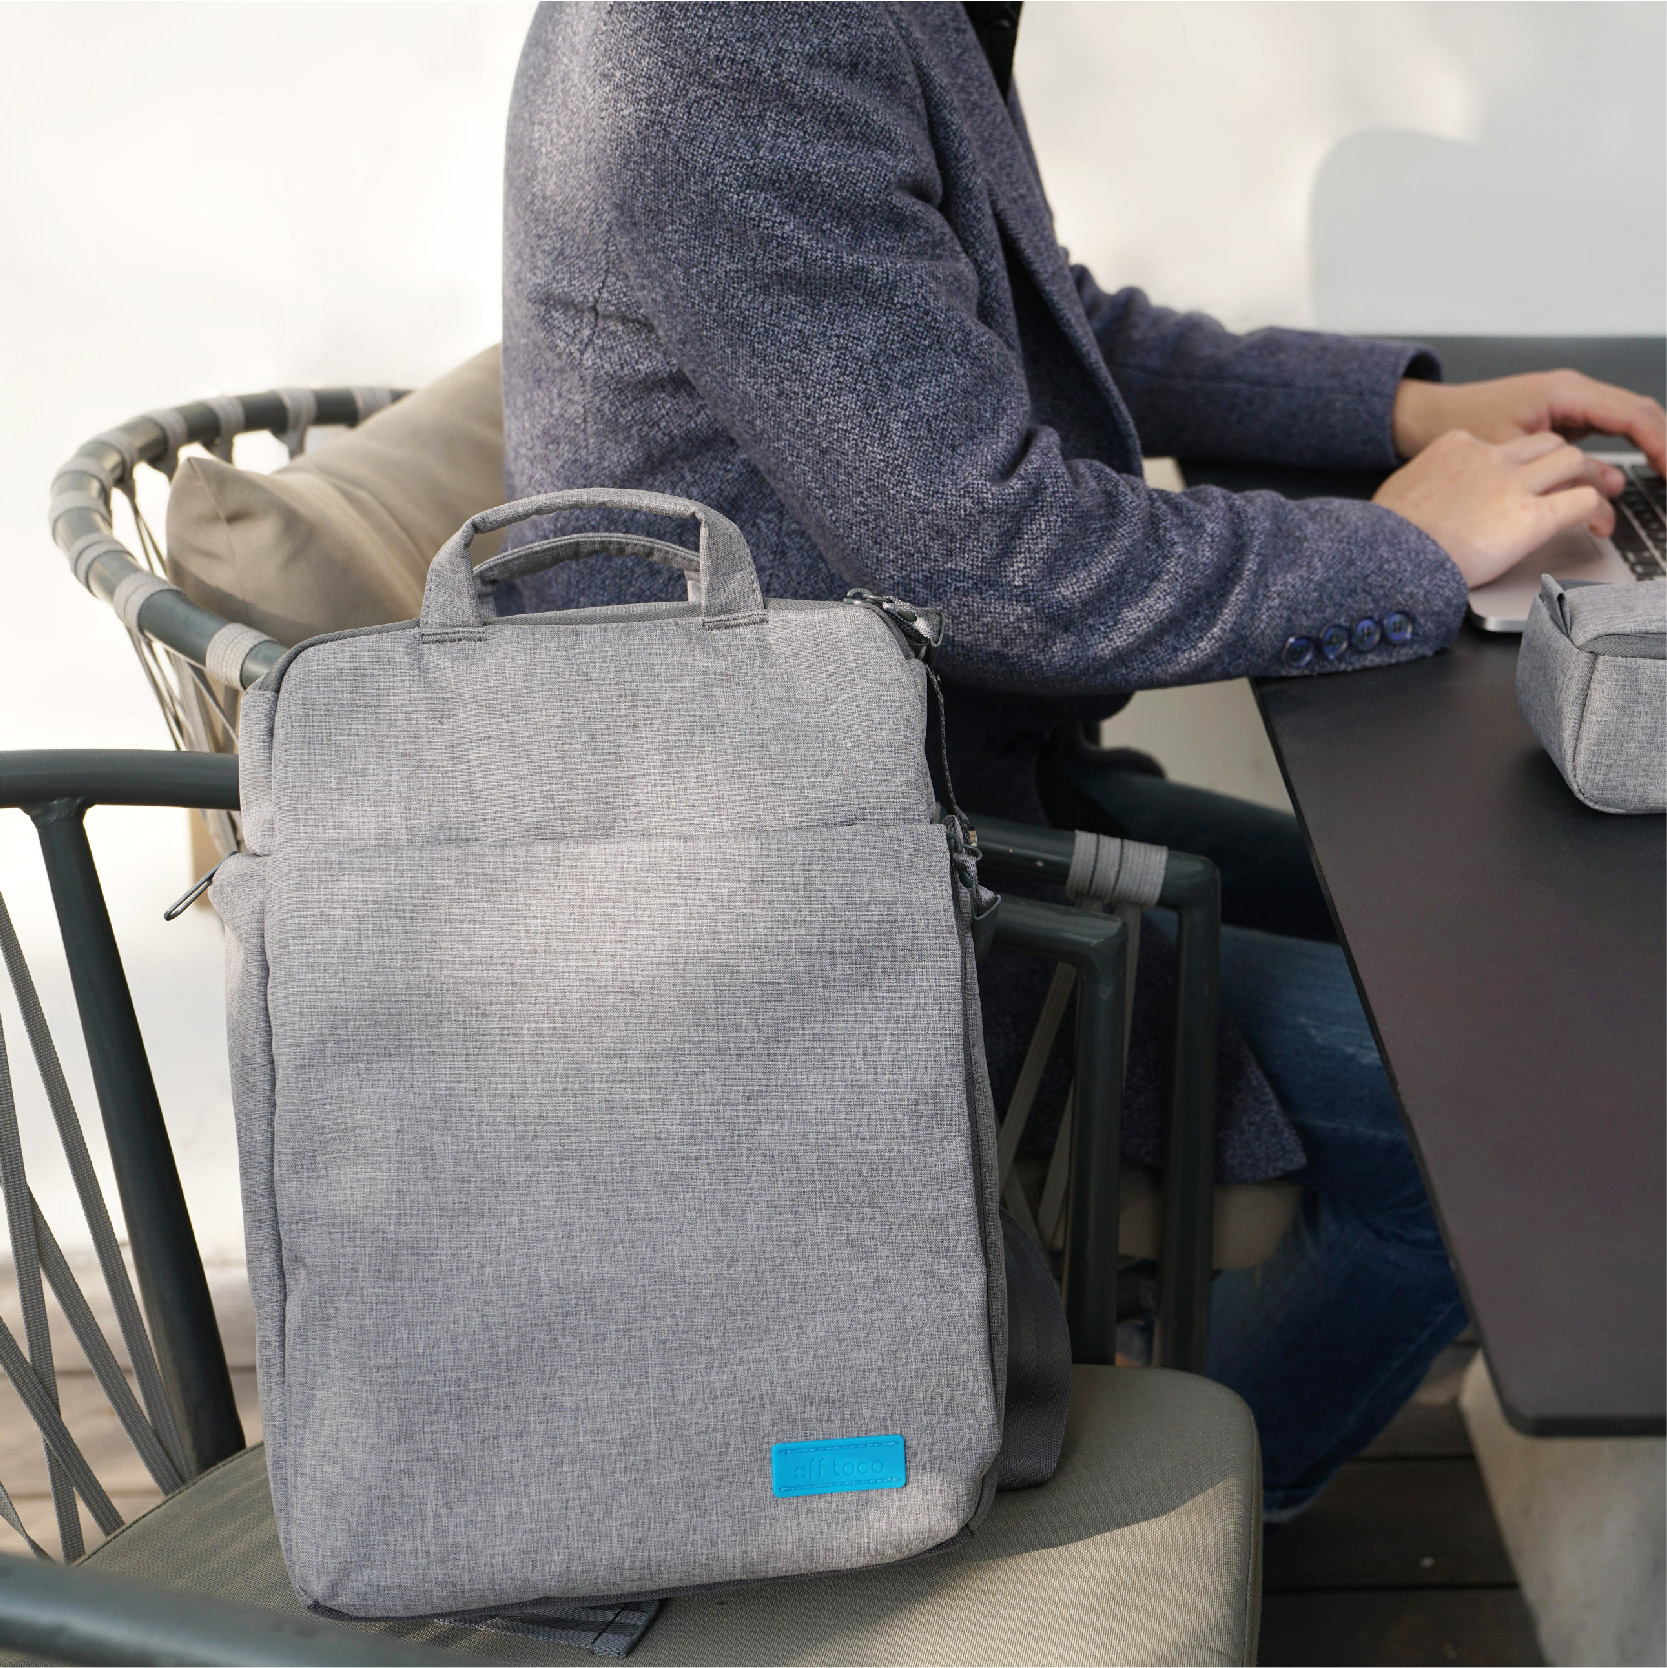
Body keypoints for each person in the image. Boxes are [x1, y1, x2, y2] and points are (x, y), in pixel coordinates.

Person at [496, 1, 1667, 1517]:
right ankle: (1161, 1522)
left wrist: (1397, 406)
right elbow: (995, 557)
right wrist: (1402, 548)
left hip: (960, 779)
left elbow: (1036, 327)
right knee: (1488, 1127)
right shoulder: (724, 36)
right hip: (827, 882)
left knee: (1489, 947)